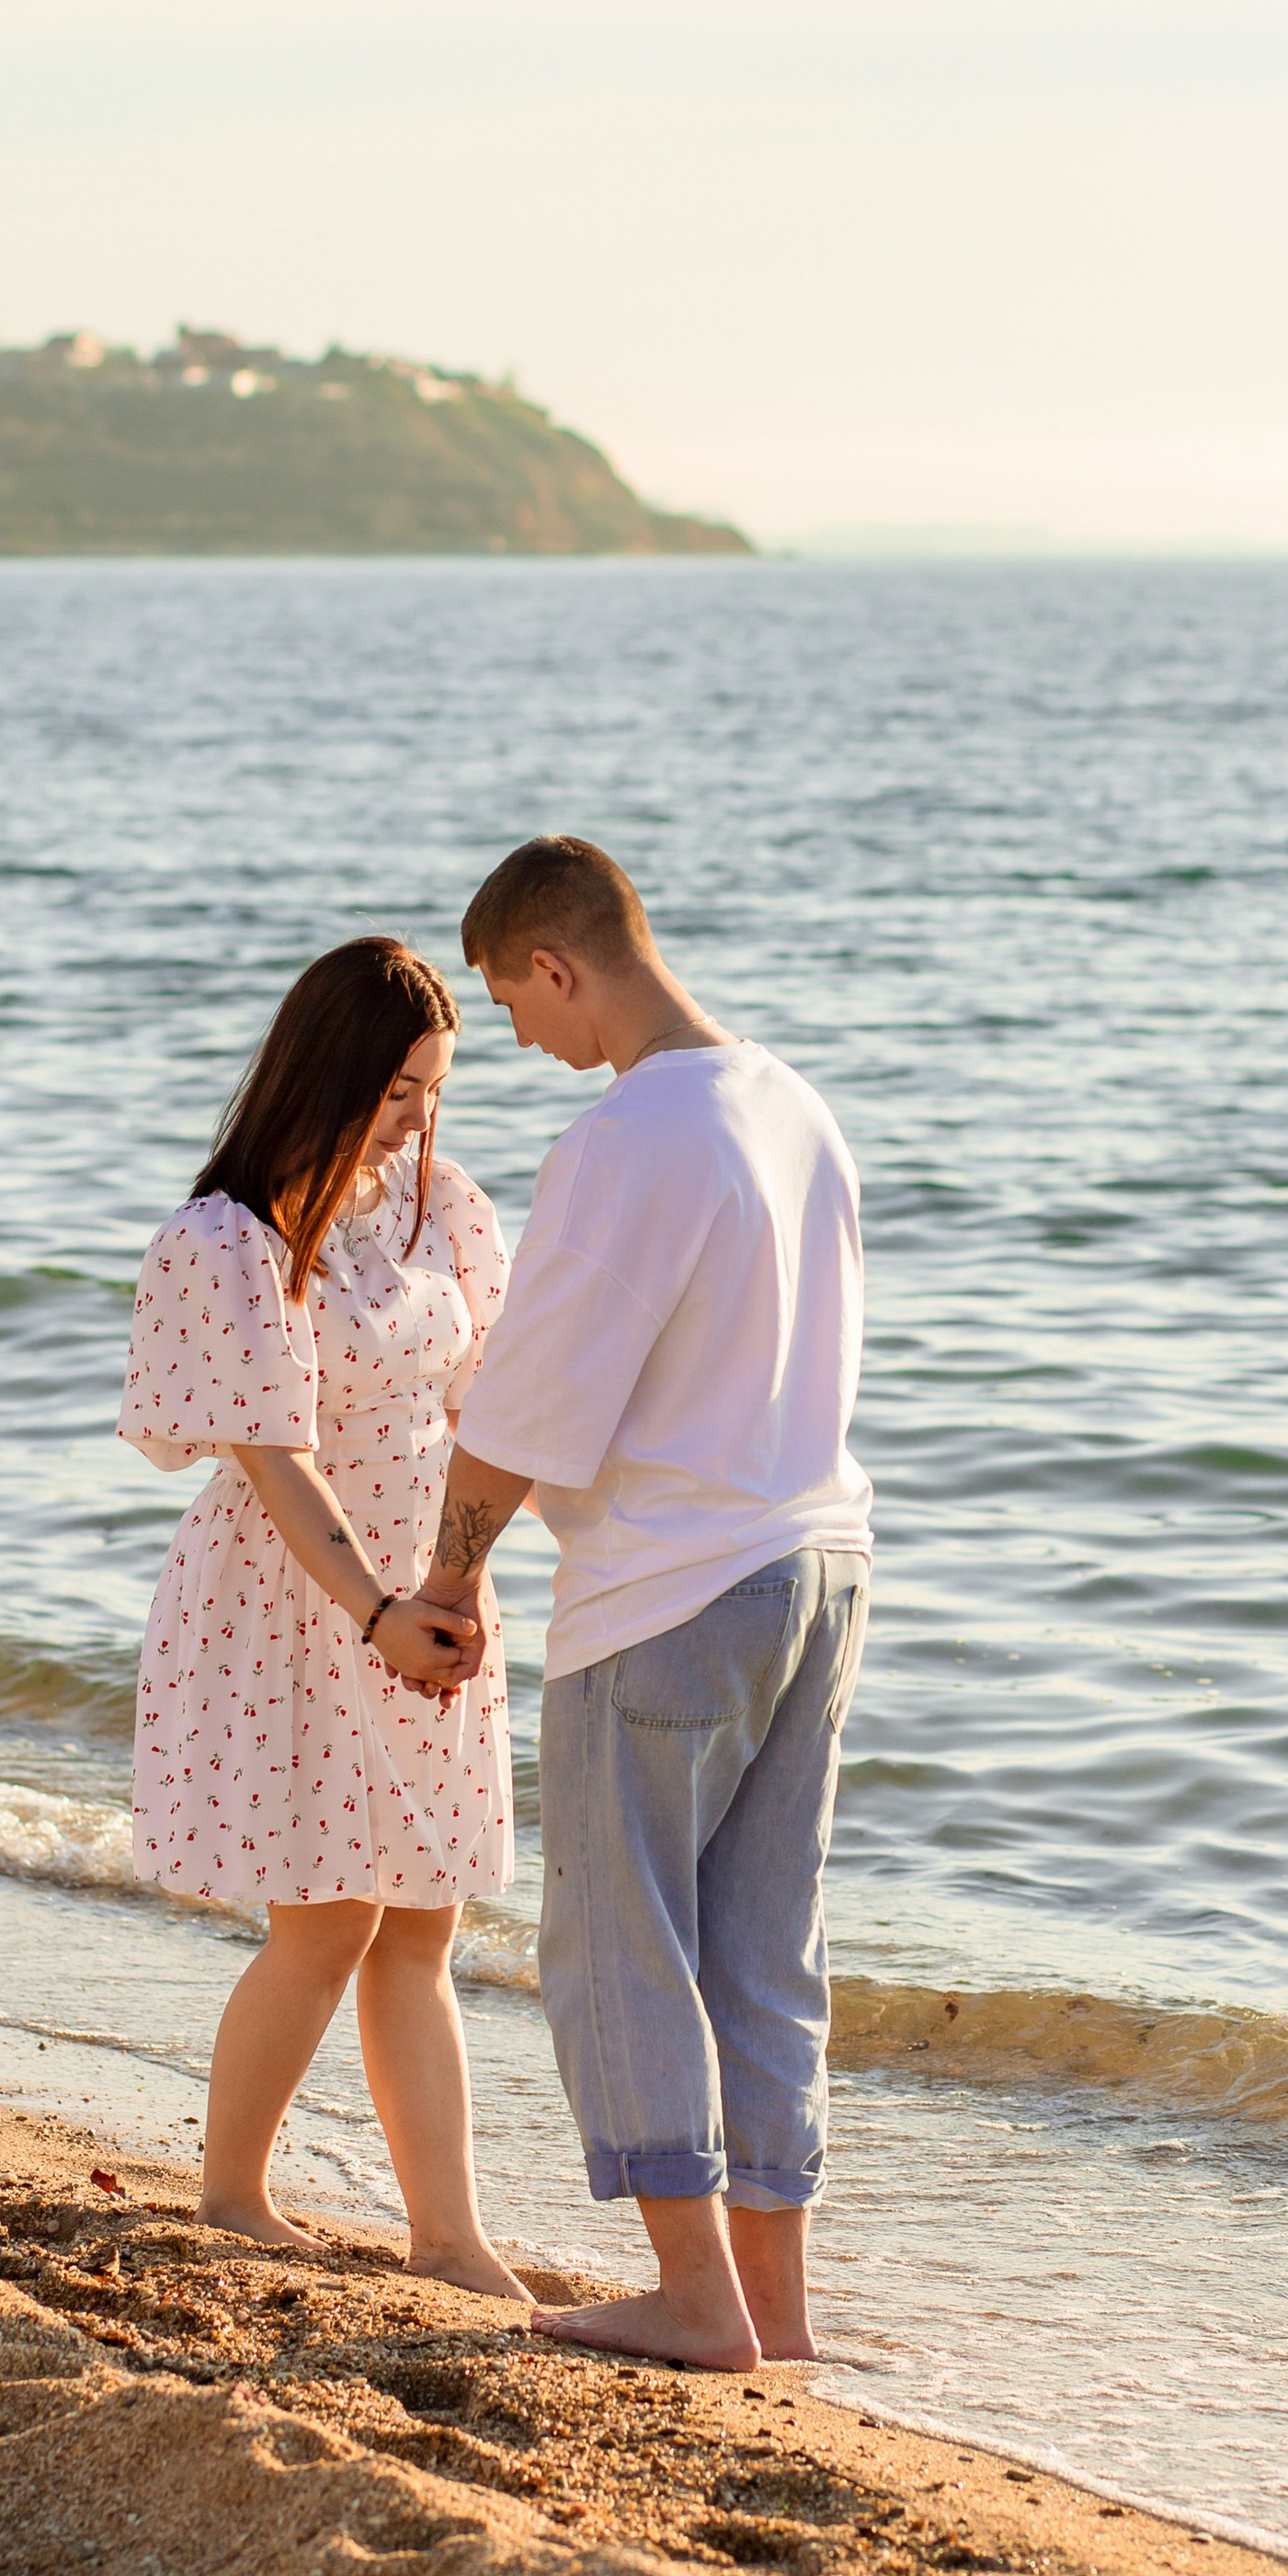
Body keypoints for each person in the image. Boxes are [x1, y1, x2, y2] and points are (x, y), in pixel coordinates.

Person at [395, 836, 872, 2372]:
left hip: (669, 1588)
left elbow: (533, 1403)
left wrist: (450, 1573)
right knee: (763, 1941)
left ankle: (688, 2302)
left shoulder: (629, 1139)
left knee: (621, 1945)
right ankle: (774, 2311)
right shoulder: (792, 1102)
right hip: (819, 1563)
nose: (525, 1041)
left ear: (559, 963)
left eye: (516, 1006)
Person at [118, 933, 530, 2298]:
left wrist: (466, 1583)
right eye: (400, 1089)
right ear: (332, 1073)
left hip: (431, 1584)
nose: (421, 1119)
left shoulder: (437, 1210)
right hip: (299, 1598)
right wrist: (377, 1611)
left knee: (424, 1919)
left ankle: (449, 2239)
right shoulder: (229, 1241)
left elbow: (497, 1402)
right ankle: (232, 2192)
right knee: (327, 1917)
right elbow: (272, 1460)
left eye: (436, 1089)